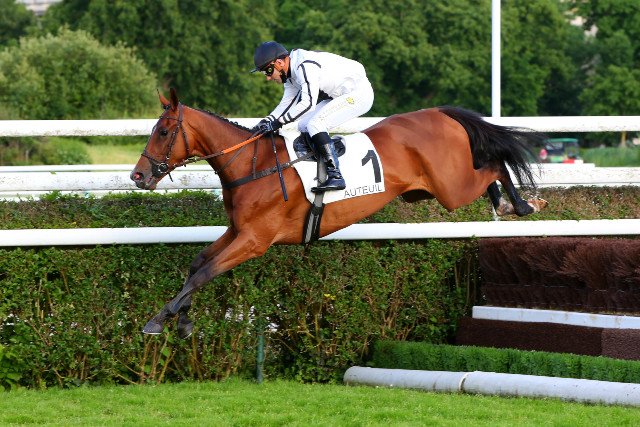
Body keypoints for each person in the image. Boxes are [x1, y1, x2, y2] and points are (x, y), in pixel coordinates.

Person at [251, 41, 374, 192]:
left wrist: (279, 122)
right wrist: (266, 121)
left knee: (316, 124)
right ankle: (318, 170)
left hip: (358, 94)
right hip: (339, 95)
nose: (268, 78)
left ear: (280, 63)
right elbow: (287, 104)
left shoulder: (304, 67)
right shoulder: (290, 76)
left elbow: (307, 104)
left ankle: (336, 176)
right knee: (303, 125)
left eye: (268, 71)